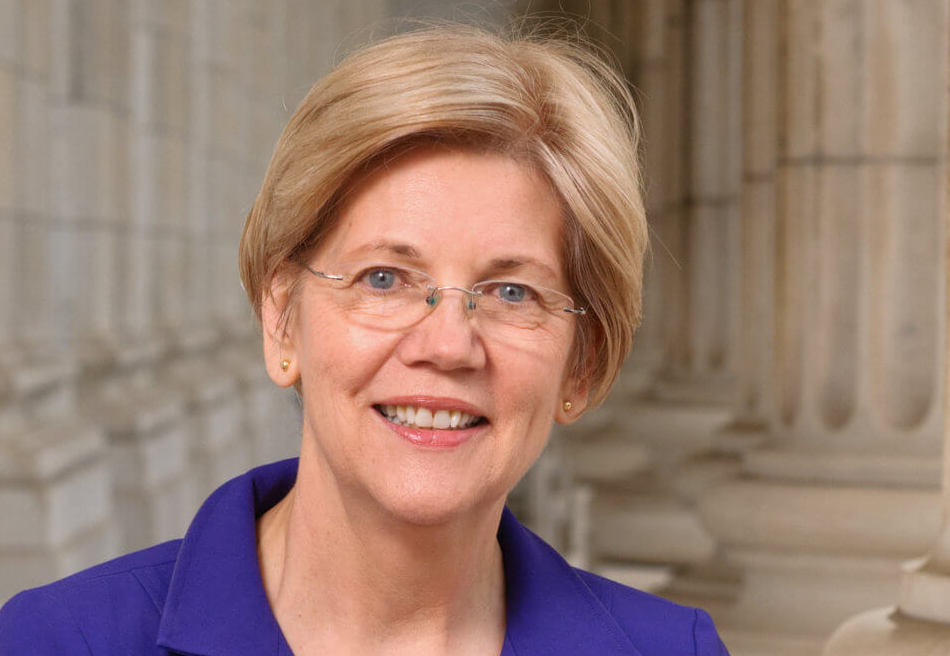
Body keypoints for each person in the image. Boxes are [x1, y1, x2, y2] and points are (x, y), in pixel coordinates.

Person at [0, 23, 729, 655]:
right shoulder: (56, 642)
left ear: (583, 364)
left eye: (513, 293)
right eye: (384, 279)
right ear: (282, 318)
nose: (447, 344)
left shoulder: (671, 651)